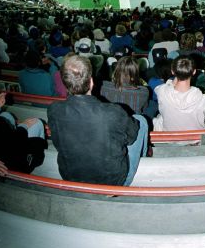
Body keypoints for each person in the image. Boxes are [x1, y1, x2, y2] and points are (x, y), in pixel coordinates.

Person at [48, 54, 149, 186]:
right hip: (114, 181)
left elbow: (57, 143)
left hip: (70, 177)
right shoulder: (114, 112)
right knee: (140, 121)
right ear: (91, 82)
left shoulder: (53, 110)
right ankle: (146, 158)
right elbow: (131, 137)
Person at [154, 56, 205, 131]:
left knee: (159, 118)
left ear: (172, 71)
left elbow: (160, 88)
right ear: (194, 72)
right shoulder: (203, 100)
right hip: (196, 139)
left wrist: (172, 82)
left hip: (170, 138)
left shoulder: (162, 91)